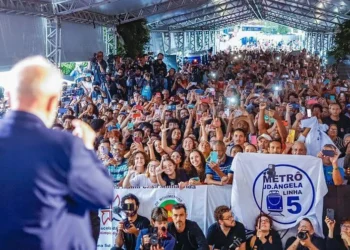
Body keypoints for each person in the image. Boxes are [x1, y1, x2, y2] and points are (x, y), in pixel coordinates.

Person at [0, 56, 114, 250]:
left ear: (8, 96)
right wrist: (86, 148)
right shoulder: (64, 146)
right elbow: (103, 194)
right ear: (53, 101)